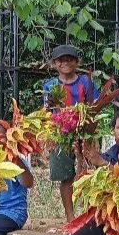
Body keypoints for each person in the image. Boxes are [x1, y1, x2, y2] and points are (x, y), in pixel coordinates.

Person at [42, 45, 98, 221]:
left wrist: (90, 130)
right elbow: (48, 112)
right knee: (66, 176)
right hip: (60, 135)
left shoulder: (85, 82)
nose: (65, 63)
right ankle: (71, 218)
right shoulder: (50, 86)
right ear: (54, 64)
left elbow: (94, 107)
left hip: (84, 134)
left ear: (76, 62)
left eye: (69, 59)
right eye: (61, 60)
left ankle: (90, 216)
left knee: (88, 174)